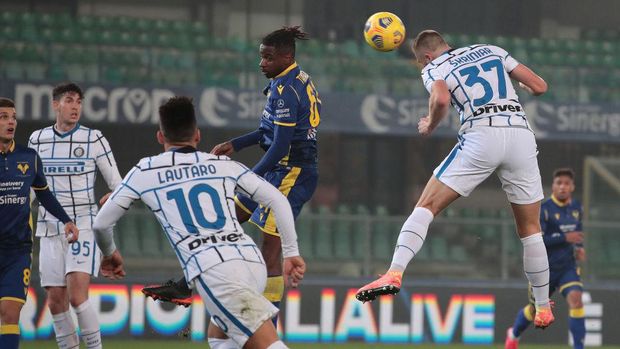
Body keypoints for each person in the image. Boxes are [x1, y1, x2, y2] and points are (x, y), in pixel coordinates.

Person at [355, 30, 555, 329]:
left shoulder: (434, 68)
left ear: (425, 56)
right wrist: (521, 90)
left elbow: (441, 98)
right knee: (531, 229)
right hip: (519, 135)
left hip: (481, 134)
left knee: (425, 206)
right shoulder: (492, 48)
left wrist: (430, 124)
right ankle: (542, 308)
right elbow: (539, 86)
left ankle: (394, 272)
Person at [92, 96, 306, 349]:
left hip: (215, 271)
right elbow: (278, 200)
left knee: (268, 345)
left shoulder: (145, 171)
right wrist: (291, 253)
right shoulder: (222, 164)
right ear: (197, 135)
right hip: (251, 262)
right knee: (219, 337)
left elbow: (101, 224)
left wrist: (109, 253)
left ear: (160, 137)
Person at [142, 25, 320, 318]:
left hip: (292, 174)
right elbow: (267, 131)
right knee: (224, 219)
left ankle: (267, 323)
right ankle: (187, 284)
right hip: (278, 169)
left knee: (270, 249)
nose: (262, 63)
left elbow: (280, 146)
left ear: (287, 56)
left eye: (268, 58)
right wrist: (234, 144)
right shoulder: (285, 81)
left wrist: (247, 178)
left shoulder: (288, 90)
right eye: (261, 57)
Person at [28, 83, 122, 349]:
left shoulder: (94, 139)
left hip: (83, 222)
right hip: (48, 226)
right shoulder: (37, 139)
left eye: (79, 102)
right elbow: (34, 188)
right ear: (55, 104)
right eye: (69, 101)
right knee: (56, 300)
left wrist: (111, 198)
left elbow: (118, 184)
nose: (75, 107)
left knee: (77, 297)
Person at [0, 97, 79, 349]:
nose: (10, 121)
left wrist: (66, 219)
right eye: (3, 117)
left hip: (17, 251)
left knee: (9, 313)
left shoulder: (29, 157)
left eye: (13, 117)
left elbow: (43, 193)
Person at [506, 168, 586, 349]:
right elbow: (538, 241)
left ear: (572, 187)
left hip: (567, 267)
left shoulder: (577, 208)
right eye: (559, 183)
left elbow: (578, 232)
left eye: (566, 183)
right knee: (535, 310)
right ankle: (514, 334)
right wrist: (565, 238)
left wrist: (579, 248)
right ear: (553, 186)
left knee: (576, 298)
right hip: (544, 269)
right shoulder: (544, 209)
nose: (563, 187)